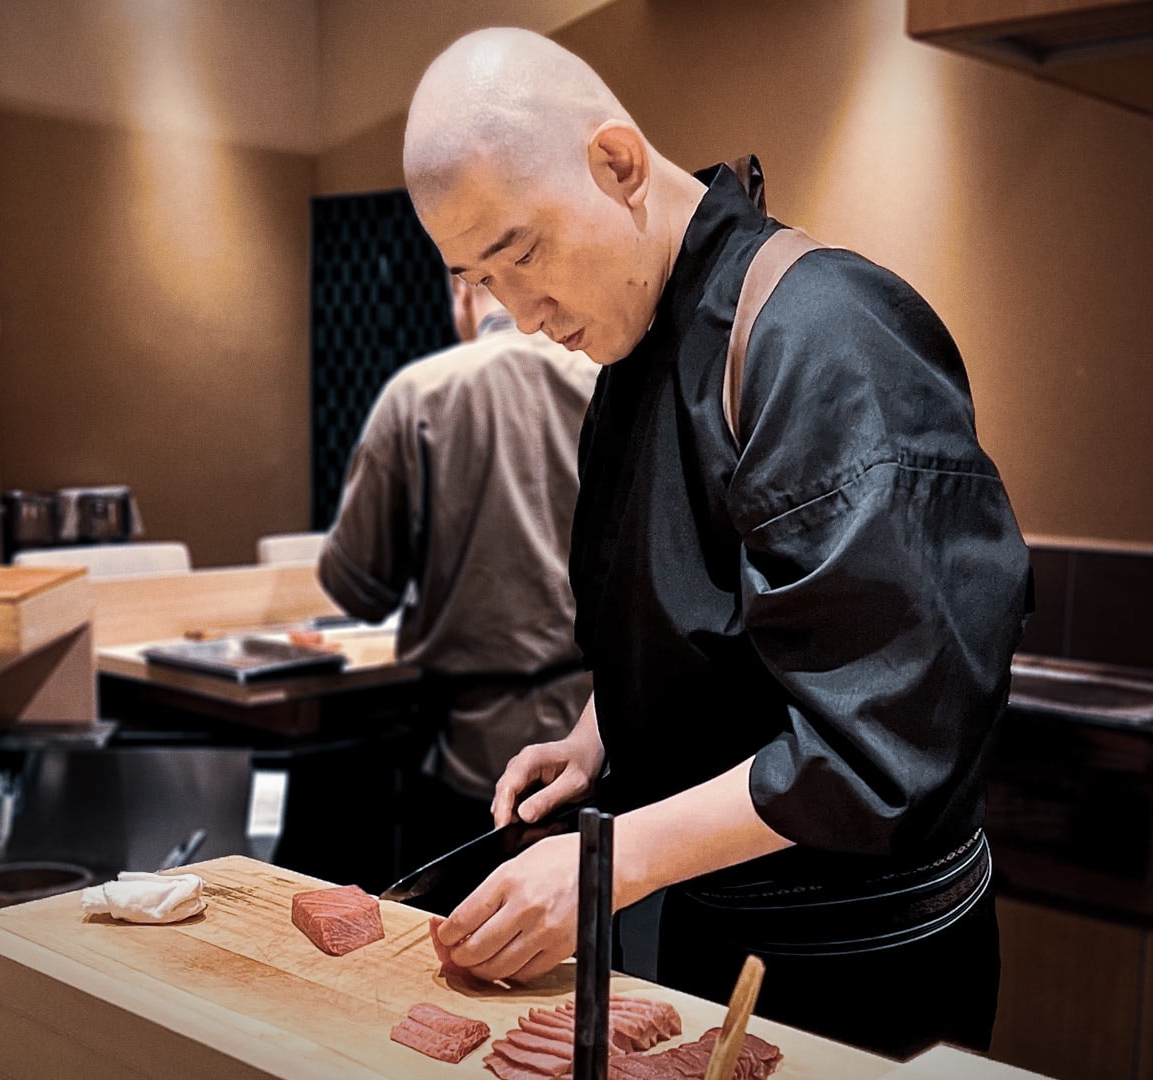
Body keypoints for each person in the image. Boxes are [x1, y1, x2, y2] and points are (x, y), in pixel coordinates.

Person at [399, 27, 1033, 1060]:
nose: (518, 314)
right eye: (480, 276)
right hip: (714, 924)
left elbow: (879, 731)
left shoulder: (822, 334)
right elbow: (702, 604)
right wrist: (599, 737)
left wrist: (607, 862)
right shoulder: (634, 342)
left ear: (615, 165)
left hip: (860, 961)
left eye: (521, 252)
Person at [317, 274, 598, 870]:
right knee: (595, 950)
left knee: (455, 944)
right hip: (602, 738)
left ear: (462, 290)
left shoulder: (418, 394)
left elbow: (358, 587)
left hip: (469, 749)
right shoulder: (613, 382)